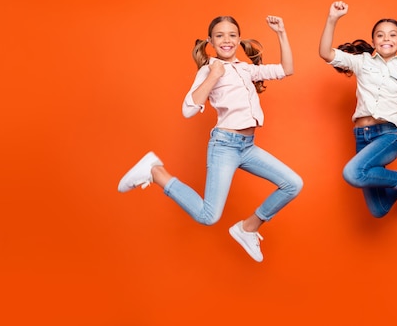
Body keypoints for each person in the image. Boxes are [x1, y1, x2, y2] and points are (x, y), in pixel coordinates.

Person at [118, 15, 303, 262]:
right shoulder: (209, 69)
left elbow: (286, 69)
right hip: (224, 146)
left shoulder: (247, 69)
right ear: (211, 42)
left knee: (293, 184)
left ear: (238, 39)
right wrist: (214, 75)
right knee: (209, 216)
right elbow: (188, 109)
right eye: (220, 36)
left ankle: (247, 228)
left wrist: (281, 32)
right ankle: (156, 172)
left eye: (232, 35)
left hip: (247, 147)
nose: (226, 40)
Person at [318, 0, 397, 218]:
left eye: (393, 34)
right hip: (361, 137)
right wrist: (333, 19)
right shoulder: (362, 61)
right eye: (380, 34)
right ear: (373, 41)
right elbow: (326, 54)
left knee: (352, 173)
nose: (386, 38)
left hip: (389, 136)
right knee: (379, 209)